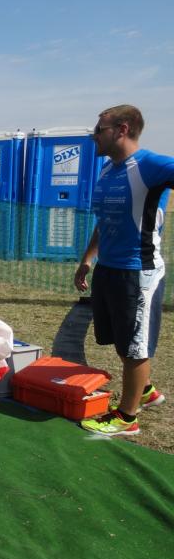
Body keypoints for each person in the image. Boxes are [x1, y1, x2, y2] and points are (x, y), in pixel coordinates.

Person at [75, 104, 172, 436]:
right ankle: (145, 390)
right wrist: (88, 259)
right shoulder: (107, 170)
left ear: (122, 129)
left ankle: (127, 418)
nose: (93, 137)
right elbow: (105, 221)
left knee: (135, 347)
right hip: (108, 269)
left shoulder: (151, 165)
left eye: (98, 130)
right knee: (119, 339)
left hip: (138, 272)